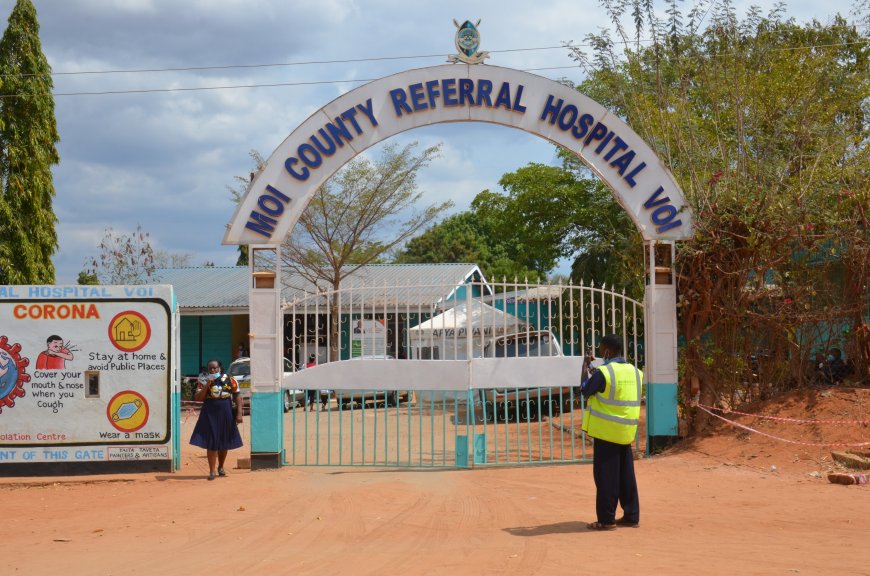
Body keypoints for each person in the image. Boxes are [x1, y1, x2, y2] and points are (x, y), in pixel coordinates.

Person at [579, 334, 643, 531]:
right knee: (626, 476)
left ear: (607, 351)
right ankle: (632, 515)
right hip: (626, 431)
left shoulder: (605, 373)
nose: (599, 353)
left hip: (606, 432)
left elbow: (585, 389)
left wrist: (584, 367)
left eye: (600, 350)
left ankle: (606, 520)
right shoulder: (635, 372)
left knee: (606, 477)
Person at [190, 359, 243, 480]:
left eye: (215, 368)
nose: (213, 370)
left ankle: (221, 467)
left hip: (226, 413)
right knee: (211, 442)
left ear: (220, 368)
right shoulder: (203, 380)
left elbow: (237, 395)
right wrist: (207, 385)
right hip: (209, 413)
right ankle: (212, 471)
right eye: (210, 368)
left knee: (224, 441)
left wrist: (239, 413)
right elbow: (198, 398)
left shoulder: (230, 379)